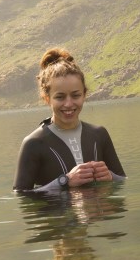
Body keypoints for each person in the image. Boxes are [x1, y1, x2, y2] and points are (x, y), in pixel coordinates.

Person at [13, 48, 126, 193]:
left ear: (84, 95)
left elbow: (122, 180)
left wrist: (110, 176)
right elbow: (21, 195)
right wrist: (64, 181)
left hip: (98, 208)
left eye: (75, 95)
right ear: (47, 98)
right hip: (57, 209)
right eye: (60, 97)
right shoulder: (34, 143)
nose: (68, 104)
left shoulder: (99, 134)